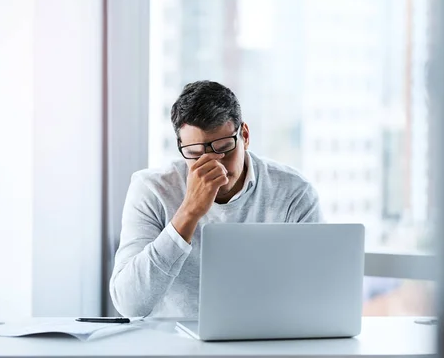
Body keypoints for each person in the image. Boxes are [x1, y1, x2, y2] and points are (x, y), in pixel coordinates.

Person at [110, 80, 323, 317]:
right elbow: (129, 304)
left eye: (224, 148)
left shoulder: (294, 192)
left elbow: (316, 294)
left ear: (245, 135)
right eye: (195, 154)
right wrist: (188, 212)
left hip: (266, 341)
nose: (214, 164)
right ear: (181, 148)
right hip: (171, 345)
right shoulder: (151, 190)